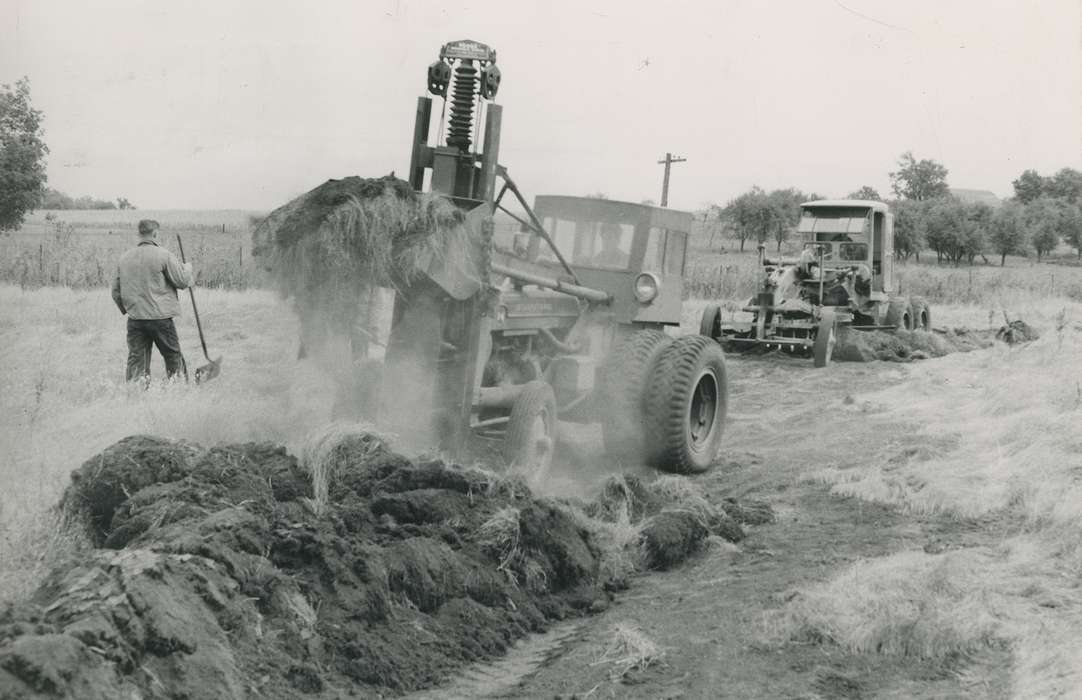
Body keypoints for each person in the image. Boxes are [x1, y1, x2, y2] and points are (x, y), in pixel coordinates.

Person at [111, 219, 194, 382]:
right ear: (155, 233)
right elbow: (182, 282)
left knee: (136, 360)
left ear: (139, 234)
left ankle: (136, 394)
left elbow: (115, 292)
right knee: (172, 356)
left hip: (136, 319)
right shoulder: (164, 255)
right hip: (161, 318)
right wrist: (188, 268)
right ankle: (179, 391)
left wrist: (128, 309)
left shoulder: (124, 258)